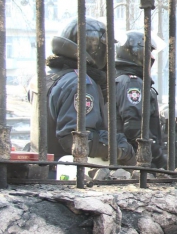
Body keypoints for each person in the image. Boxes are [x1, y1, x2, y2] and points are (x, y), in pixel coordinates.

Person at [29, 18, 135, 178]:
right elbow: (74, 137)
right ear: (95, 49)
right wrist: (120, 147)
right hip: (65, 177)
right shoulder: (80, 83)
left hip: (41, 172)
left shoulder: (45, 76)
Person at [114, 30, 166, 169]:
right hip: (139, 161)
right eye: (149, 52)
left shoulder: (121, 79)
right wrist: (158, 156)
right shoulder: (133, 83)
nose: (152, 57)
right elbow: (134, 127)